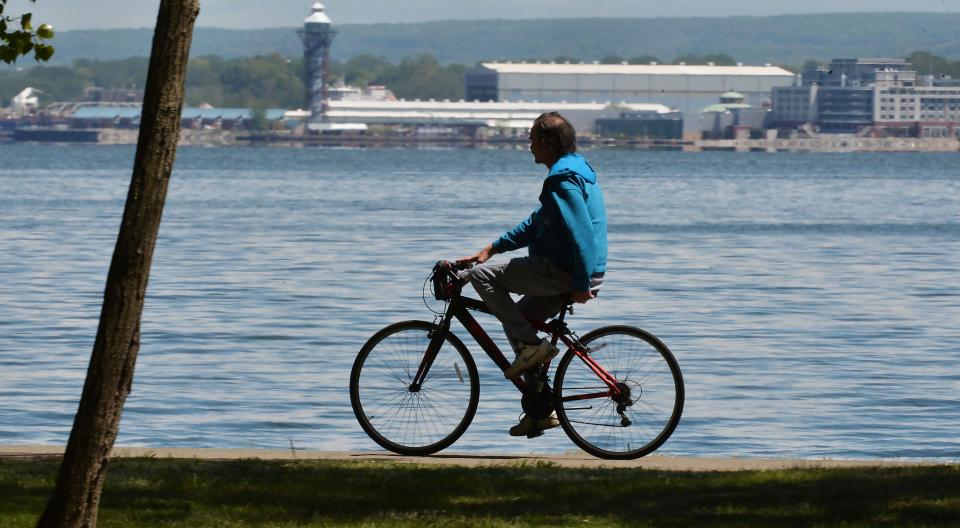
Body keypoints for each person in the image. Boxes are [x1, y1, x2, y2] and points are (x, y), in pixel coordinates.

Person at [458, 111, 608, 436]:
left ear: (546, 141)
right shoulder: (573, 170)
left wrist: (581, 283)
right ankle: (541, 410)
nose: (528, 147)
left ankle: (530, 348)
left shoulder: (562, 179)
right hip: (574, 269)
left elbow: (582, 232)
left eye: (530, 139)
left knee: (483, 277)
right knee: (520, 319)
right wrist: (492, 248)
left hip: (564, 271)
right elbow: (537, 223)